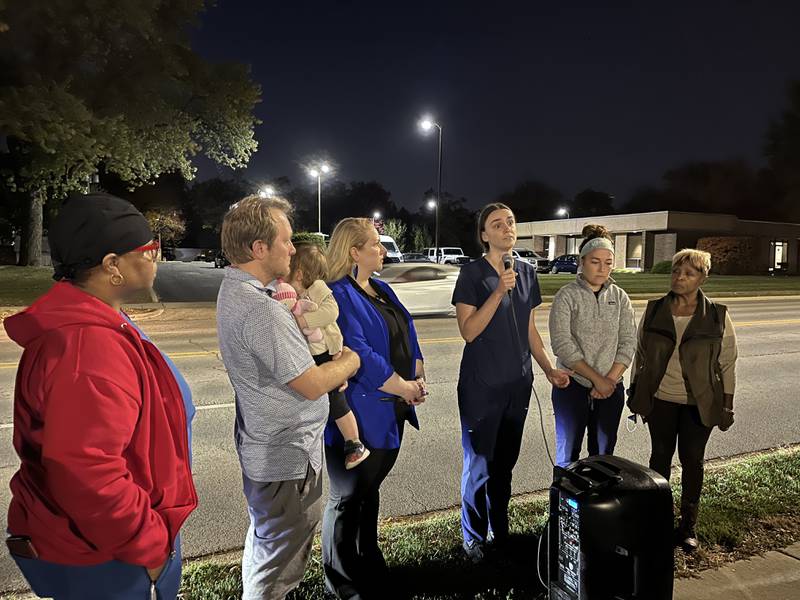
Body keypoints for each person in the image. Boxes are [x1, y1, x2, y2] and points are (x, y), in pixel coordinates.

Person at [3, 193, 197, 600]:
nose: (155, 258)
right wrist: (150, 545)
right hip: (105, 557)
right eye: (149, 249)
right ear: (112, 265)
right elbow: (87, 471)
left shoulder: (103, 321)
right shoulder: (86, 346)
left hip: (108, 546)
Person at [215, 196, 360, 600]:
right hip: (286, 458)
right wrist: (350, 361)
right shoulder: (262, 310)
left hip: (270, 450)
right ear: (259, 249)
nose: (293, 249)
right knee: (280, 564)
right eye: (285, 241)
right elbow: (312, 383)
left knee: (267, 546)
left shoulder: (239, 291)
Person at [453, 203, 571, 563]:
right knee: (479, 464)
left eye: (511, 223)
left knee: (504, 464)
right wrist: (498, 292)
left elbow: (530, 329)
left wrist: (548, 367)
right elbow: (469, 331)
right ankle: (473, 537)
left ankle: (498, 530)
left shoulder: (527, 272)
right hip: (481, 386)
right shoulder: (472, 274)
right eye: (497, 224)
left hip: (517, 385)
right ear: (484, 235)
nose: (507, 229)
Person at [322, 217, 427, 599]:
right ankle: (342, 578)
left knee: (370, 490)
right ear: (354, 251)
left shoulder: (381, 288)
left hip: (394, 408)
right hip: (361, 414)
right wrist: (401, 385)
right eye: (376, 245)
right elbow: (358, 353)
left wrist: (418, 374)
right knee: (348, 496)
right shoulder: (338, 294)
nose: (383, 251)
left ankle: (369, 559)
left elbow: (407, 331)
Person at [628, 248, 738, 552]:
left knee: (692, 460)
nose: (679, 278)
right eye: (676, 271)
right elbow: (641, 355)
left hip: (698, 403)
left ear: (702, 278)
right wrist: (636, 391)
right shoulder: (654, 310)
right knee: (659, 458)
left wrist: (727, 404)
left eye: (688, 273)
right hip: (661, 398)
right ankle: (657, 519)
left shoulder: (717, 315)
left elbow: (727, 363)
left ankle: (688, 525)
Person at [548, 224, 637, 468]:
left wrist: (609, 379)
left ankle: (595, 504)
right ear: (582, 261)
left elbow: (628, 341)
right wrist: (596, 379)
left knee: (603, 456)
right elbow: (562, 344)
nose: (602, 268)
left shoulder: (620, 297)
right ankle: (562, 505)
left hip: (611, 388)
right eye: (595, 261)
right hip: (573, 386)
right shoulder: (566, 295)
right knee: (568, 457)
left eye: (608, 262)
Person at [280, 242, 370, 469]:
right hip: (313, 353)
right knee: (320, 398)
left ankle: (355, 443)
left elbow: (332, 311)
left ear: (298, 273)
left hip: (327, 352)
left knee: (337, 400)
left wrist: (302, 322)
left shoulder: (318, 288)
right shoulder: (293, 294)